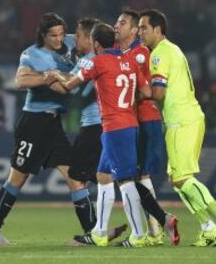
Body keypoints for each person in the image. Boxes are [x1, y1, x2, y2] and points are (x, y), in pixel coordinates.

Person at [52, 23, 163, 248]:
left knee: (125, 181)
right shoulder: (130, 60)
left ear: (95, 43)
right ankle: (100, 233)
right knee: (103, 175)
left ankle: (139, 236)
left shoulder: (97, 61)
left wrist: (52, 74)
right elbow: (146, 92)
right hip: (130, 124)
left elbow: (69, 86)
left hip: (114, 127)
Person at [138, 9, 216, 247]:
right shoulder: (173, 49)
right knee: (177, 179)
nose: (140, 32)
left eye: (144, 28)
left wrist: (134, 94)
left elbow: (158, 92)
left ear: (157, 29)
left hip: (181, 120)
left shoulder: (159, 54)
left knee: (183, 178)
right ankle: (208, 227)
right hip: (187, 117)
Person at [0, 13, 78, 246]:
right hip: (33, 122)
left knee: (74, 176)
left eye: (60, 34)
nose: (58, 40)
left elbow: (93, 37)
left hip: (54, 123)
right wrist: (48, 76)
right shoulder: (32, 54)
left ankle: (93, 233)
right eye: (52, 36)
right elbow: (21, 81)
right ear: (43, 36)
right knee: (17, 177)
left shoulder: (73, 41)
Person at [114, 8, 178, 246]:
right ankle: (155, 229)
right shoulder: (131, 52)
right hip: (139, 120)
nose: (141, 32)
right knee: (139, 175)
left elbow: (148, 90)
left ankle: (156, 228)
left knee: (136, 175)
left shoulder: (140, 53)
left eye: (142, 27)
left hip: (145, 119)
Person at [65, 17, 127, 241]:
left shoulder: (89, 62)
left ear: (92, 41)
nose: (76, 39)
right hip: (113, 125)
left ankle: (93, 231)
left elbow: (69, 89)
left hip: (93, 127)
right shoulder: (114, 60)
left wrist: (47, 76)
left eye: (79, 35)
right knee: (115, 177)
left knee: (75, 177)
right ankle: (156, 219)